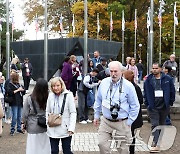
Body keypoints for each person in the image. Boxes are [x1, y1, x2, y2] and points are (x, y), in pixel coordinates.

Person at [93, 61, 140, 154]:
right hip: (106, 122)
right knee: (101, 144)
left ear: (121, 71)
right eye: (111, 71)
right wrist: (96, 115)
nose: (113, 74)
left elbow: (135, 105)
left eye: (115, 71)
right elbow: (98, 100)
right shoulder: (104, 83)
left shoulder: (128, 86)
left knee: (123, 150)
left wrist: (129, 122)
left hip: (122, 122)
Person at [144, 63, 175, 153]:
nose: (154, 70)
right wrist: (147, 103)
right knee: (155, 124)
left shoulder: (167, 79)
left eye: (156, 68)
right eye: (153, 68)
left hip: (164, 106)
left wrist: (170, 102)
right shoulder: (148, 80)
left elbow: (172, 90)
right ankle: (155, 143)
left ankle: (159, 142)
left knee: (161, 124)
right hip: (153, 106)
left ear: (161, 69)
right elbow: (145, 92)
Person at [46, 77, 76, 154]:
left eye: (57, 85)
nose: (56, 88)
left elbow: (73, 112)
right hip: (52, 128)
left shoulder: (68, 95)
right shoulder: (50, 96)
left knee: (66, 151)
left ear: (62, 85)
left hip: (65, 128)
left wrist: (71, 127)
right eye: (53, 86)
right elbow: (47, 111)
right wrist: (47, 122)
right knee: (54, 151)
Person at [22, 78, 51, 154]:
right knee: (45, 147)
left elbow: (25, 114)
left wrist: (23, 124)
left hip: (33, 126)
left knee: (33, 148)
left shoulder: (30, 98)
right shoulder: (49, 97)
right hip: (46, 125)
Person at [123, 70, 143, 154]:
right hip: (131, 115)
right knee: (130, 135)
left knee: (129, 134)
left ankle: (129, 151)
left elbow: (140, 101)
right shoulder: (135, 87)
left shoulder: (132, 88)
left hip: (130, 115)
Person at [7, 71, 25, 136]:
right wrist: (18, 90)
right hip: (14, 102)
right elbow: (10, 92)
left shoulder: (19, 84)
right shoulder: (10, 84)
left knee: (19, 116)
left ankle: (19, 128)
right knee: (14, 116)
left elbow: (24, 91)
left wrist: (22, 90)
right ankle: (12, 129)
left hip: (19, 101)